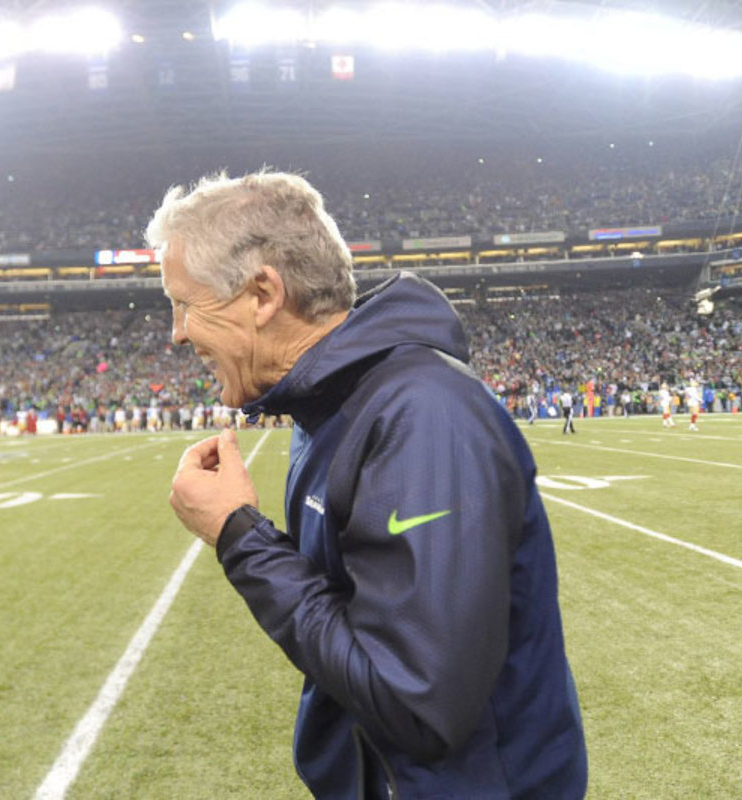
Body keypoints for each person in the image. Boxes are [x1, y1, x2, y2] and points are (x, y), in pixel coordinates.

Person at [153, 170, 587, 799]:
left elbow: (418, 703)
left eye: (185, 303)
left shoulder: (422, 415)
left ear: (263, 293)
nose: (177, 332)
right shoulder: (335, 409)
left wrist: (239, 537)